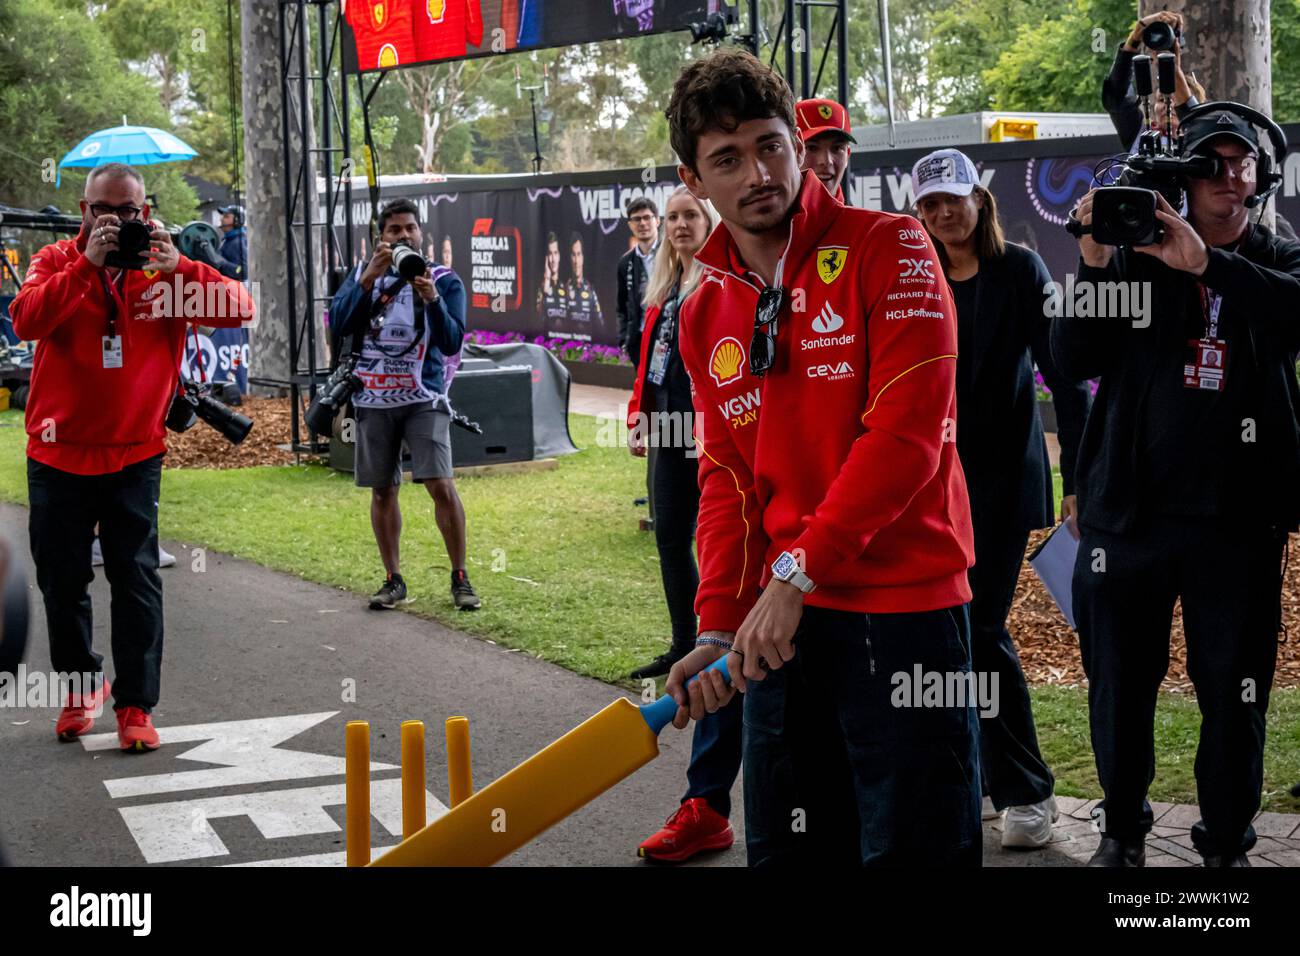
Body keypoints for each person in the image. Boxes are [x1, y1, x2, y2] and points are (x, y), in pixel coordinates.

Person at [663, 48, 980, 867]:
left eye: (770, 145)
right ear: (695, 182)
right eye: (726, 159)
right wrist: (715, 623)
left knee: (918, 853)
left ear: (798, 147)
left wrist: (795, 575)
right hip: (777, 632)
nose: (757, 172)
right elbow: (727, 481)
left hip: (902, 614)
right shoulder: (703, 312)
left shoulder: (894, 246)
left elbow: (907, 440)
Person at [1054, 109, 1300, 867]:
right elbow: (1071, 359)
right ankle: (1122, 832)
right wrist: (1095, 260)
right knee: (1119, 687)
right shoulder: (1132, 255)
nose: (1230, 179)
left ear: (1263, 178)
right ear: (1182, 180)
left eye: (1243, 165)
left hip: (1238, 521)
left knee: (1236, 692)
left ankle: (1225, 843)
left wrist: (1206, 265)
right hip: (1128, 517)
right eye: (1211, 165)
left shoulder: (1278, 256)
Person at [9, 162, 253, 751]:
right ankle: (79, 689)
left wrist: (183, 266)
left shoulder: (163, 270)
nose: (113, 221)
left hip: (135, 452)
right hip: (58, 451)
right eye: (101, 209)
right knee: (62, 581)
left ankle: (136, 705)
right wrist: (88, 264)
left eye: (126, 211)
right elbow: (26, 321)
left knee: (135, 577)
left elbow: (239, 309)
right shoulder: (55, 262)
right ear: (83, 209)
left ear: (144, 212)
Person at [911, 147, 1092, 849]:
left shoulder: (1020, 270)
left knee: (981, 630)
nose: (941, 213)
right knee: (945, 635)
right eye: (928, 205)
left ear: (977, 200)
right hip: (925, 486)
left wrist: (1077, 480)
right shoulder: (914, 278)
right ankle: (980, 777)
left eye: (951, 199)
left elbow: (1066, 379)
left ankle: (1028, 790)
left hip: (999, 485)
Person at [625, 187, 740, 862]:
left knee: (715, 544)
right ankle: (684, 642)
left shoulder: (726, 280)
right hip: (675, 432)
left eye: (688, 216)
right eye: (672, 220)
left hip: (715, 432)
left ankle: (709, 641)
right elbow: (651, 356)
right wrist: (640, 409)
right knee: (673, 536)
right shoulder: (665, 283)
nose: (678, 227)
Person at [329, 198, 481, 612]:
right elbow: (339, 324)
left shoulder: (444, 279)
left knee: (440, 483)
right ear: (381, 237)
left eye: (410, 228)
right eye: (394, 230)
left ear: (421, 233)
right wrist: (366, 281)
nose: (403, 236)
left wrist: (431, 298)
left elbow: (451, 342)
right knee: (382, 490)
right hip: (372, 398)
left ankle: (461, 577)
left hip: (423, 397)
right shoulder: (364, 274)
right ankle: (393, 578)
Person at [1102, 10, 1202, 152]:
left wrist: (1174, 71)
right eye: (1162, 99)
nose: (1169, 105)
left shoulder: (1203, 141)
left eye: (1177, 101)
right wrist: (1136, 37)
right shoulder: (1141, 136)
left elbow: (1197, 122)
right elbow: (1116, 99)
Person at [616, 198, 661, 372]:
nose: (642, 223)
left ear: (657, 220)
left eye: (647, 217)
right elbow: (622, 305)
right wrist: (624, 339)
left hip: (667, 337)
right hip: (640, 338)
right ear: (630, 225)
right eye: (636, 219)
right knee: (644, 393)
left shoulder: (673, 254)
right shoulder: (625, 263)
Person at [795, 98, 854, 203]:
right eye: (812, 148)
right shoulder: (765, 217)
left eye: (837, 148)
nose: (826, 161)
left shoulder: (861, 219)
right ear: (792, 153)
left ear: (847, 155)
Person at [563, 233, 603, 334]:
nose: (576, 261)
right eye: (573, 254)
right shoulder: (563, 289)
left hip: (588, 346)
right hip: (568, 345)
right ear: (569, 257)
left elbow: (600, 326)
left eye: (579, 254)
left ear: (583, 257)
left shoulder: (590, 290)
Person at [535, 230, 568, 331]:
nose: (553, 259)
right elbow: (537, 319)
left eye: (555, 253)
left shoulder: (567, 286)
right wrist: (547, 282)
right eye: (550, 254)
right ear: (546, 257)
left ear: (559, 256)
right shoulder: (539, 287)